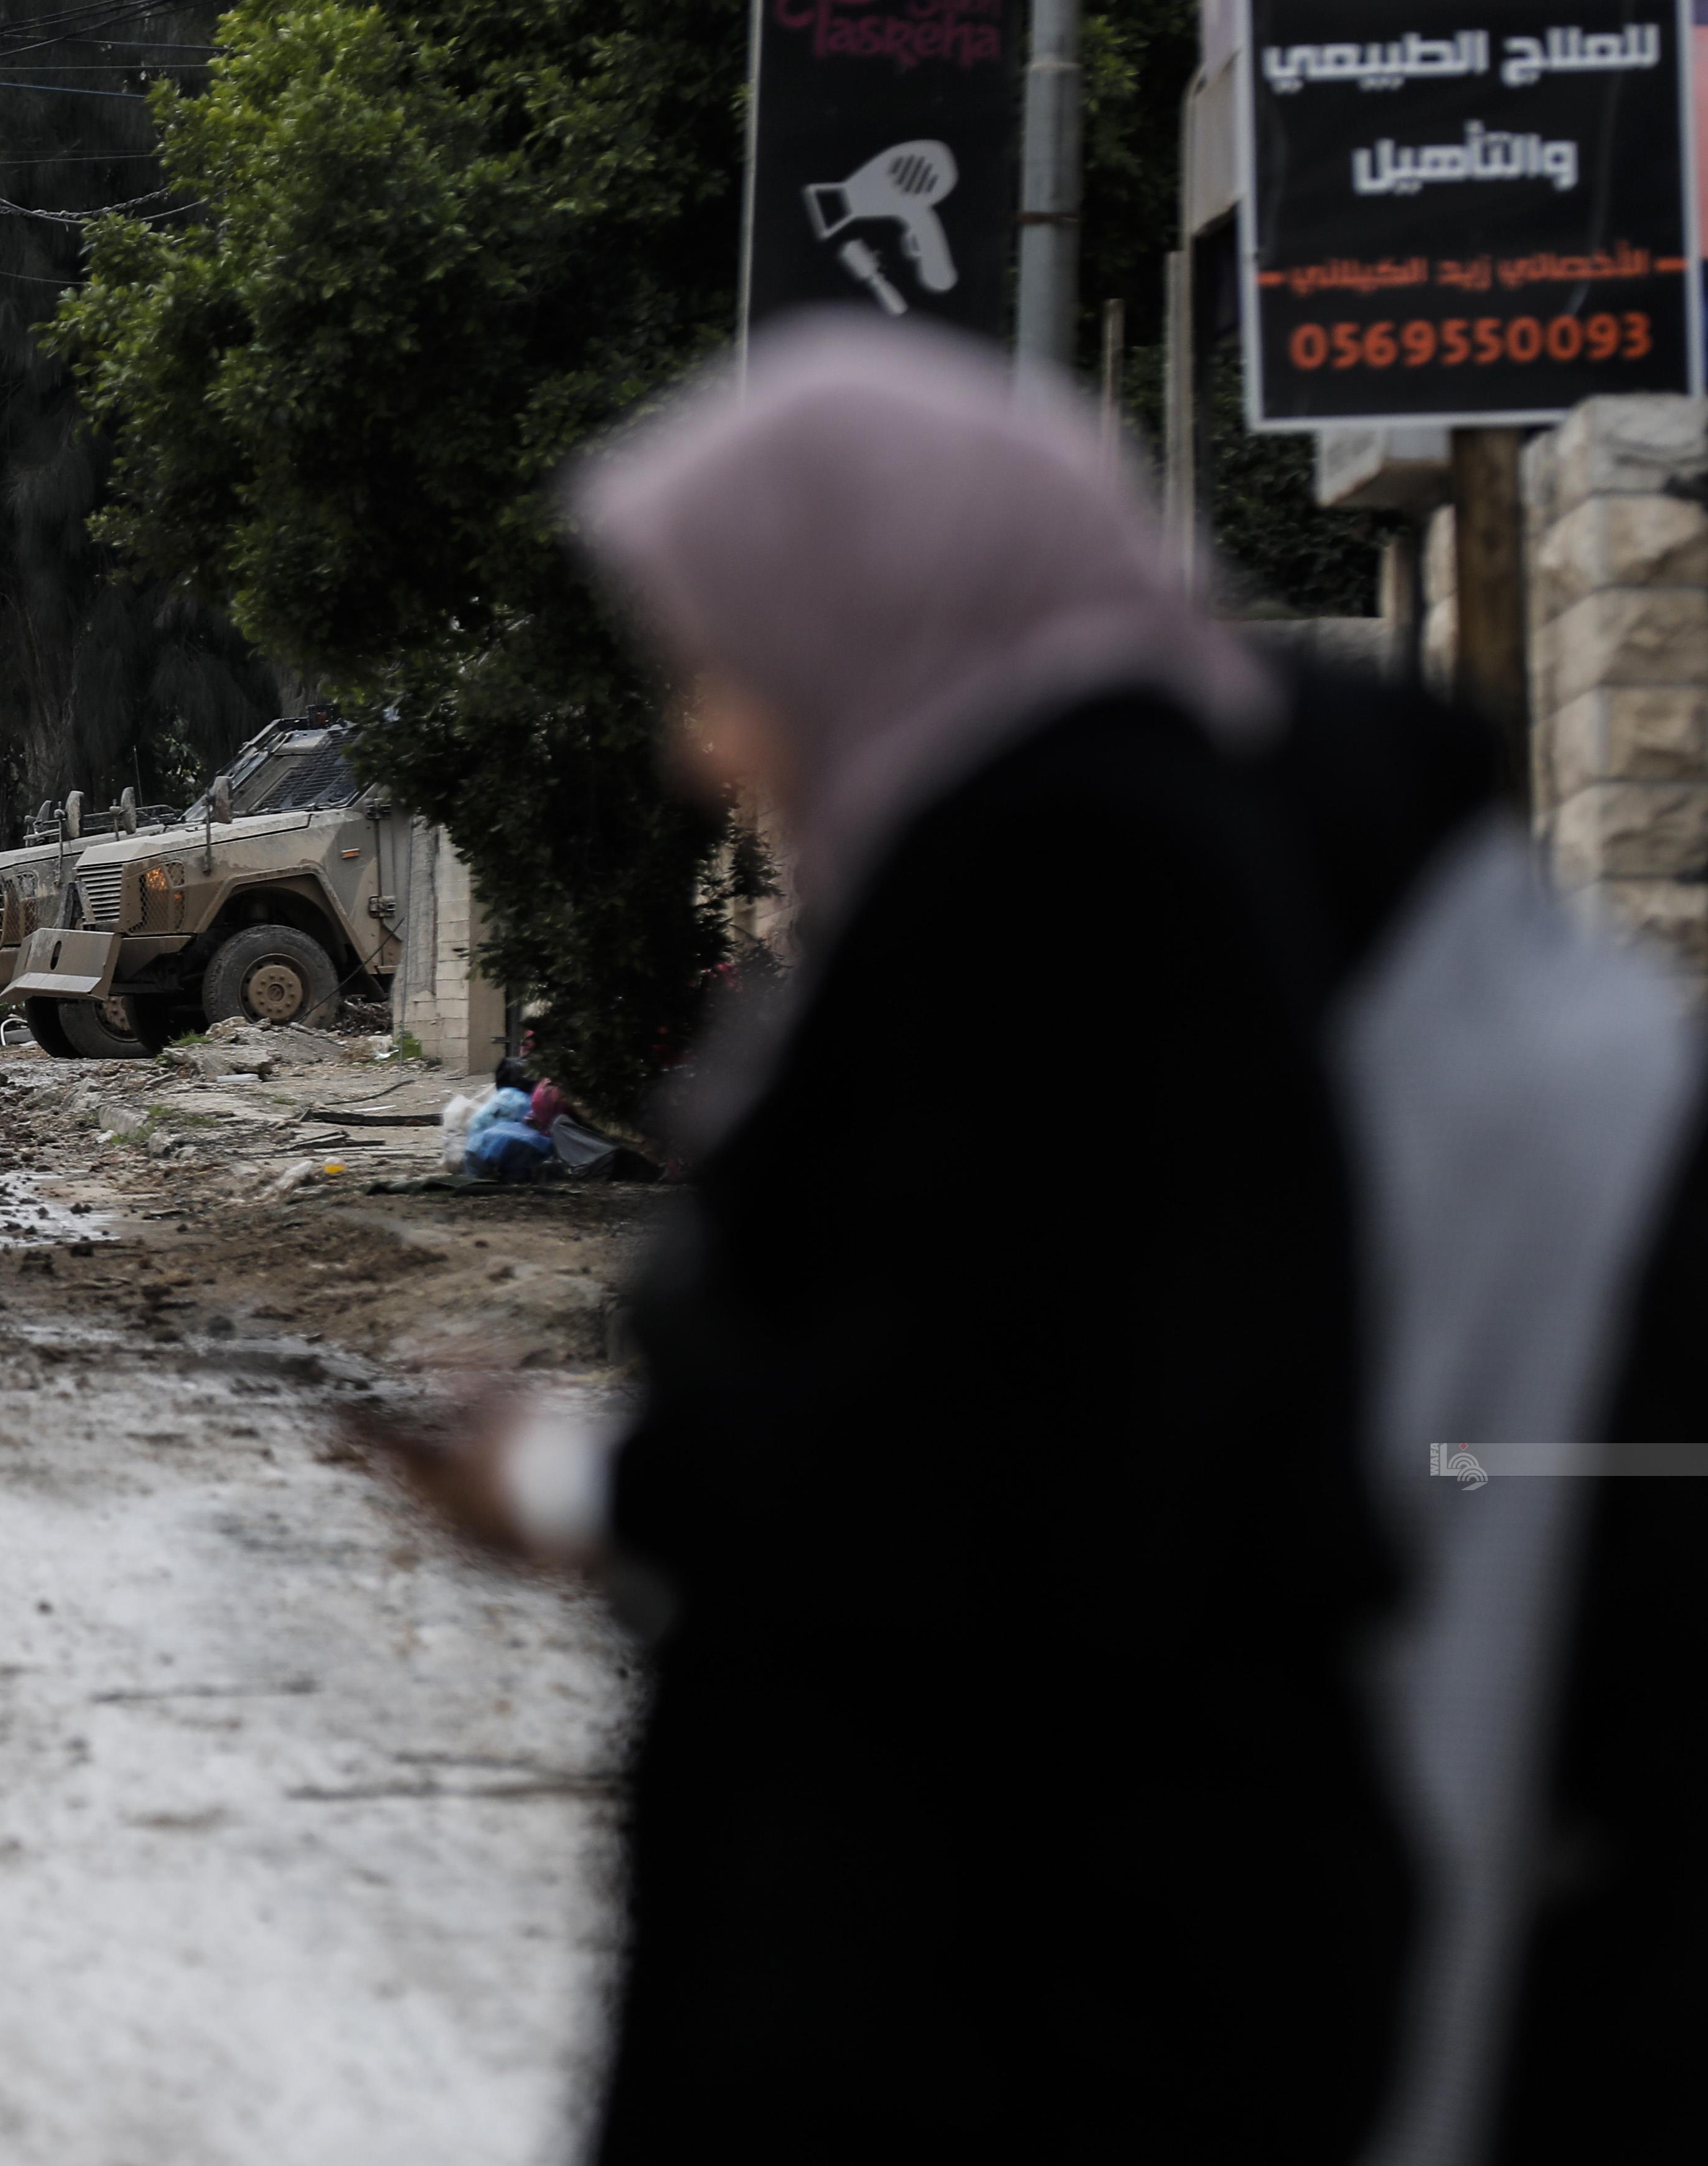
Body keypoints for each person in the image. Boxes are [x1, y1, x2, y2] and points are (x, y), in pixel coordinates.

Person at [415, 318, 1421, 2164]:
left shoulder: (1069, 893)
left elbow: (966, 1462)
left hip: (1038, 2002)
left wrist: (586, 1483)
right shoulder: (1073, 856)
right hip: (1033, 1962)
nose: (704, 742)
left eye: (730, 664)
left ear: (874, 605)